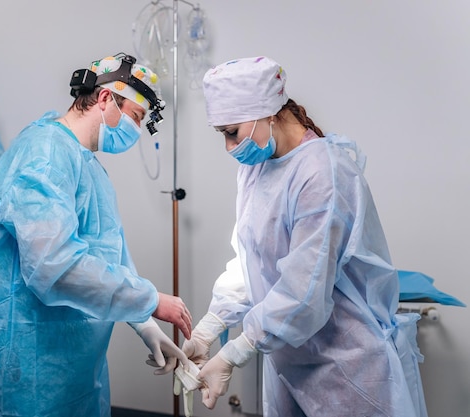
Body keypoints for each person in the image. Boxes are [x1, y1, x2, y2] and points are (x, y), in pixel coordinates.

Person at [182, 56, 428, 417]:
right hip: (287, 359)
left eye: (231, 132)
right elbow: (252, 260)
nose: (229, 146)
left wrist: (235, 351)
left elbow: (303, 291)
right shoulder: (257, 169)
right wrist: (210, 327)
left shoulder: (323, 174)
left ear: (268, 113)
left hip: (346, 367)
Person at [0, 53, 192, 417]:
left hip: (73, 367)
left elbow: (106, 257)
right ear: (104, 99)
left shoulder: (88, 167)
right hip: (23, 366)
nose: (135, 129)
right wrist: (150, 300)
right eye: (135, 116)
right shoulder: (44, 154)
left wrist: (143, 323)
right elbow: (55, 266)